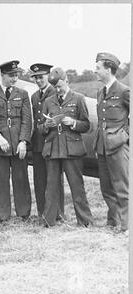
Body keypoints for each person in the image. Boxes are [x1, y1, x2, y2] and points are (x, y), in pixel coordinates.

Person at [39, 67, 93, 227]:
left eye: (60, 86)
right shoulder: (48, 101)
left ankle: (85, 222)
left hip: (72, 151)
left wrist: (74, 123)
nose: (57, 89)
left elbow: (86, 125)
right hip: (54, 150)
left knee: (77, 187)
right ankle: (49, 222)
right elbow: (40, 129)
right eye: (55, 87)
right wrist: (47, 125)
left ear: (67, 81)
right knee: (51, 188)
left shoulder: (78, 98)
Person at [0, 60, 32, 222]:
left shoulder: (23, 95)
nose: (14, 78)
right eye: (11, 75)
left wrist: (23, 141)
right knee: (1, 181)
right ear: (2, 75)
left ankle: (24, 213)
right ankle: (3, 215)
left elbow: (27, 120)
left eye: (16, 75)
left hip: (18, 145)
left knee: (21, 179)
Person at [94, 52, 129, 233]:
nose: (95, 71)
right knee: (106, 187)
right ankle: (113, 221)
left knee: (122, 187)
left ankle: (127, 226)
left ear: (108, 69)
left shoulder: (124, 91)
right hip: (102, 146)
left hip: (118, 145)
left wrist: (125, 136)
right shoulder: (100, 92)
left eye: (98, 68)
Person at [29, 63, 65, 220]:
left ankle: (58, 213)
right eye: (36, 78)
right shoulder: (35, 96)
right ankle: (42, 213)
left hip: (52, 143)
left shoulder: (55, 92)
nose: (38, 81)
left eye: (41, 77)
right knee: (39, 180)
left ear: (48, 77)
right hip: (38, 144)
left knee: (54, 180)